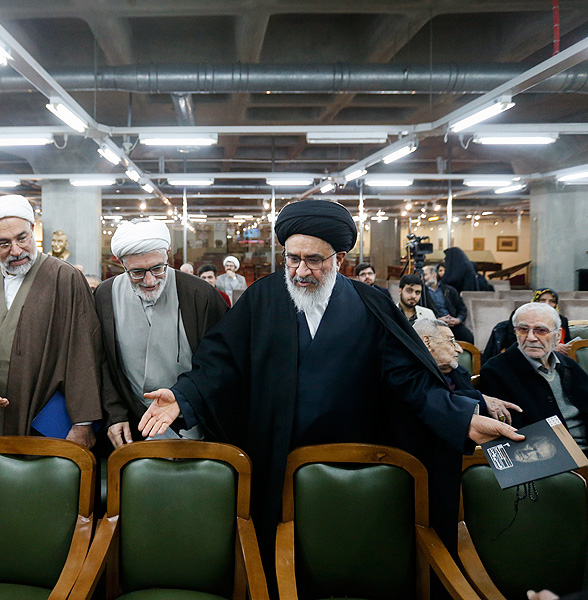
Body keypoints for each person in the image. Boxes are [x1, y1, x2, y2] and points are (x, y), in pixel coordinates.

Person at [136, 199, 521, 574]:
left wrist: (462, 418)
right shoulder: (263, 298)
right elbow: (221, 363)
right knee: (276, 560)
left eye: (314, 260)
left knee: (343, 560)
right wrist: (183, 396)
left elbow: (408, 381)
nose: (300, 271)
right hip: (276, 457)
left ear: (339, 259)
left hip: (353, 464)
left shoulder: (370, 305)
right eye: (292, 259)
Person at [0, 195, 102, 449]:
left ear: (32, 230)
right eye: (4, 243)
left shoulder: (64, 278)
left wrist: (82, 423)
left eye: (22, 238)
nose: (16, 251)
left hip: (44, 411)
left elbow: (84, 350)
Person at [95, 219, 228, 447]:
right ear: (122, 264)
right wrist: (114, 413)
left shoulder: (200, 295)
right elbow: (102, 362)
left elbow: (221, 364)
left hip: (196, 422)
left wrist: (184, 397)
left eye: (158, 268)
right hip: (133, 426)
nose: (149, 281)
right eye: (137, 272)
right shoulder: (105, 296)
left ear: (168, 255)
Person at [479, 302, 588, 445]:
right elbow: (512, 432)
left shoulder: (567, 364)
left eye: (541, 330)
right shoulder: (495, 371)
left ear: (558, 336)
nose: (531, 337)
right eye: (523, 329)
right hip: (550, 452)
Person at [413, 317, 520, 423]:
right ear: (427, 342)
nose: (459, 349)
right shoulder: (412, 379)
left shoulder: (459, 372)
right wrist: (480, 400)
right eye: (451, 341)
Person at [483, 288, 573, 361]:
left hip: (559, 357)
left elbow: (567, 341)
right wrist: (552, 348)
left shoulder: (562, 320)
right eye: (542, 300)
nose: (547, 304)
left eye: (552, 301)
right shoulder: (520, 315)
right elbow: (513, 341)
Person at [421, 264, 474, 344]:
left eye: (425, 275)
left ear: (434, 275)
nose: (423, 278)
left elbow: (462, 308)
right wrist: (437, 320)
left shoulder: (449, 290)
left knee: (468, 337)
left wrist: (458, 320)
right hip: (434, 326)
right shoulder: (422, 293)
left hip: (452, 324)